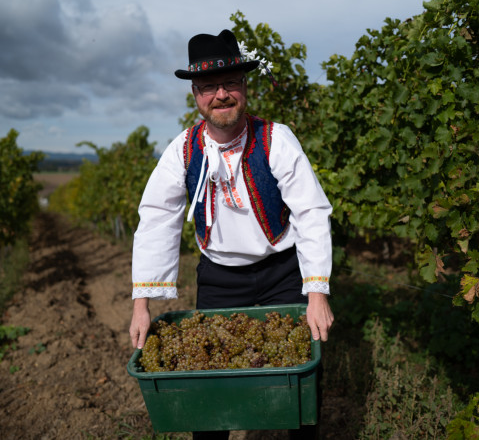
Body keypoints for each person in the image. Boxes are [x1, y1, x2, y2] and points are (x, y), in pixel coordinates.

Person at [129, 29, 334, 439]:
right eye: (208, 87)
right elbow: (157, 219)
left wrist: (317, 294)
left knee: (300, 388)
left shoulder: (276, 139)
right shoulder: (181, 152)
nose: (221, 95)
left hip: (282, 273)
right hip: (220, 278)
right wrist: (141, 305)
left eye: (230, 83)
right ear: (195, 95)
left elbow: (311, 211)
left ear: (244, 86)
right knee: (208, 392)